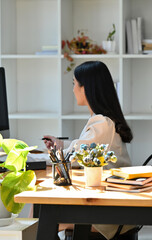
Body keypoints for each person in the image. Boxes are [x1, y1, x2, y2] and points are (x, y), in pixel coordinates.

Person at [43, 61, 136, 239]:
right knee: (42, 214)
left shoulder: (102, 123)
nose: (72, 90)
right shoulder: (103, 121)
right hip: (111, 207)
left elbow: (74, 157)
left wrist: (43, 158)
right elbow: (84, 147)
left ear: (86, 88)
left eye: (74, 84)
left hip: (109, 215)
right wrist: (61, 145)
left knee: (42, 217)